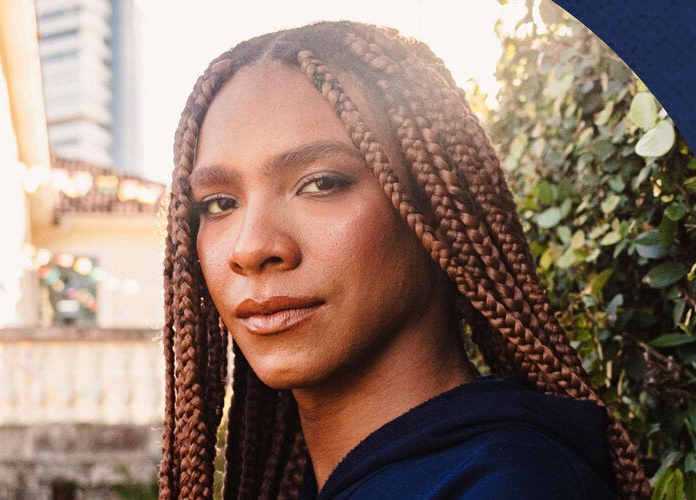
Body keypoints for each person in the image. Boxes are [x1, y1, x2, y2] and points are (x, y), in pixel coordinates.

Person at [160, 21, 649, 499]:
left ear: (435, 209)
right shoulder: (313, 479)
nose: (251, 248)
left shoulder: (510, 485)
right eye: (219, 204)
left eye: (322, 184)